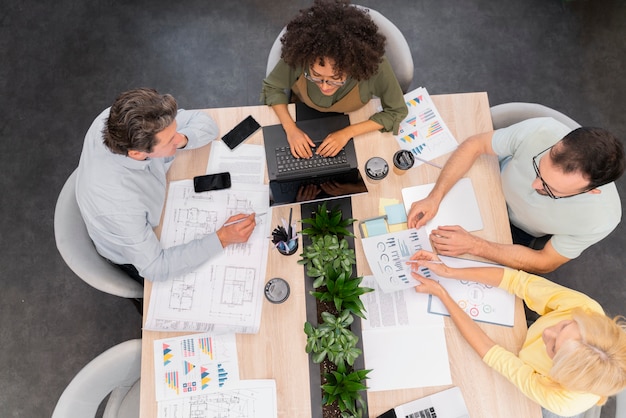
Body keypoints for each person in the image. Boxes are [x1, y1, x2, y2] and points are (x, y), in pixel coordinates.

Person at [408, 249, 626, 418]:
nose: (547, 331)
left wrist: (443, 295)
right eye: (563, 326)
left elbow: (495, 356)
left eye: (553, 348)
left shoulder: (560, 397)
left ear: (556, 375)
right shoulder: (585, 308)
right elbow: (518, 281)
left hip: (549, 405)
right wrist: (449, 272)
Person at [76, 88, 256, 283]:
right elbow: (155, 268)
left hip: (151, 206)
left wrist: (182, 139)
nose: (178, 138)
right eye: (170, 140)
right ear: (137, 153)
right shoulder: (119, 205)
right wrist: (222, 239)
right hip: (134, 253)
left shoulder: (116, 119)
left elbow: (206, 124)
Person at [407, 117, 625, 273]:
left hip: (518, 232)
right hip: (490, 184)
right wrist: (435, 196)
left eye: (550, 189)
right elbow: (476, 144)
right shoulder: (542, 131)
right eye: (539, 167)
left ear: (591, 190)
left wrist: (476, 246)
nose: (534, 183)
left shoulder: (601, 219)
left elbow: (545, 262)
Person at [261, 0, 408, 159]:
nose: (324, 88)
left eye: (336, 79)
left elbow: (396, 111)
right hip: (302, 109)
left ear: (354, 66)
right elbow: (272, 88)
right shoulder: (302, 55)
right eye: (316, 76)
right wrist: (290, 130)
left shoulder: (374, 68)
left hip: (355, 117)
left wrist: (348, 133)